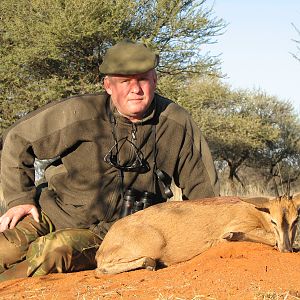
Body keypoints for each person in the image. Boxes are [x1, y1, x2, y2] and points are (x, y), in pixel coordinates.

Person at [0, 40, 219, 281]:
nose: (135, 89)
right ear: (108, 85)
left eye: (143, 79)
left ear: (155, 80)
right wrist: (19, 198)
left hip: (115, 234)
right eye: (125, 81)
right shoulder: (80, 111)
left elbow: (203, 192)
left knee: (53, 252)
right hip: (52, 212)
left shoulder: (176, 122)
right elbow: (18, 138)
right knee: (6, 248)